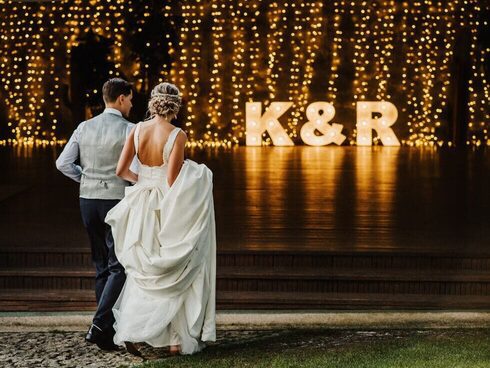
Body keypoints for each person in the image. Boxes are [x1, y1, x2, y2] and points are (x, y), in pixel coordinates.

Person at [105, 82, 216, 356]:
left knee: (145, 271)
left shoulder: (136, 129)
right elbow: (173, 179)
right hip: (165, 204)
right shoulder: (177, 134)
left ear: (153, 103)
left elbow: (121, 170)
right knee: (172, 270)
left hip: (140, 203)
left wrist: (141, 180)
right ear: (175, 106)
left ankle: (132, 328)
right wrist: (199, 174)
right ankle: (176, 340)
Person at [56, 78, 137, 350]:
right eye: (130, 98)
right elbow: (134, 169)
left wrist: (85, 178)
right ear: (122, 98)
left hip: (88, 200)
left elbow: (62, 163)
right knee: (120, 266)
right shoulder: (131, 130)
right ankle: (100, 325)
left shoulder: (84, 126)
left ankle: (104, 330)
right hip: (116, 199)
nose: (132, 104)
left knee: (101, 264)